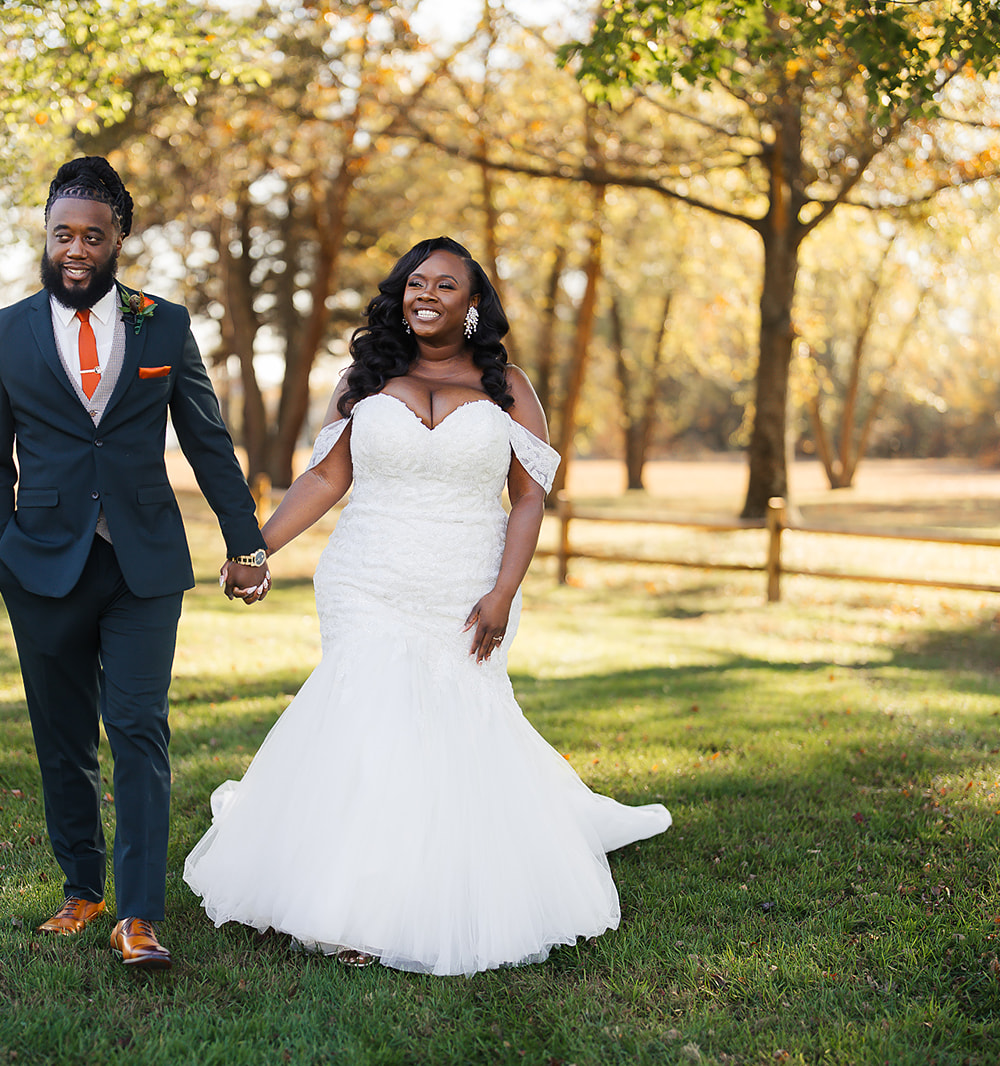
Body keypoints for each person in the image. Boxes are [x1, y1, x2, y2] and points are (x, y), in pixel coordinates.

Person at [183, 236, 671, 976]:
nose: (426, 294)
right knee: (370, 722)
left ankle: (440, 876)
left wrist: (503, 592)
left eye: (446, 285)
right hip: (366, 578)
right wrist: (256, 549)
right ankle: (356, 906)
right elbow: (324, 478)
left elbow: (529, 498)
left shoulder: (510, 386)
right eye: (416, 282)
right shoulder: (364, 378)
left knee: (452, 724)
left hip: (466, 585)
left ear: (473, 304)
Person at [0, 156, 269, 972]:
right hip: (39, 566)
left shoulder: (162, 325)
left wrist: (246, 542)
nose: (75, 248)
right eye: (62, 233)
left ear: (119, 239)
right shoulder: (3, 332)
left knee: (138, 728)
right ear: (46, 234)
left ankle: (136, 915)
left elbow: (206, 439)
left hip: (144, 565)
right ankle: (83, 889)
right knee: (62, 737)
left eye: (92, 236)